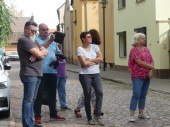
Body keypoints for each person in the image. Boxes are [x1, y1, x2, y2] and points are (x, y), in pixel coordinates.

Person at [17, 21, 48, 127]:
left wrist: (37, 54)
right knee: (28, 100)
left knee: (33, 99)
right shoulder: (23, 39)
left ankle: (30, 121)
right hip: (29, 73)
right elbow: (41, 54)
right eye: (31, 30)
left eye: (35, 31)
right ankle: (27, 124)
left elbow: (45, 52)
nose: (33, 33)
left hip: (37, 73)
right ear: (25, 29)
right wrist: (38, 54)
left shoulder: (34, 41)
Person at [34, 23, 65, 126]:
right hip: (40, 72)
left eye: (47, 29)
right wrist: (50, 40)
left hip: (52, 71)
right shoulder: (36, 40)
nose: (46, 31)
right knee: (39, 95)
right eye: (43, 30)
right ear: (39, 31)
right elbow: (39, 50)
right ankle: (37, 116)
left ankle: (53, 113)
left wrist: (59, 57)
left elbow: (57, 53)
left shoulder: (54, 43)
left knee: (52, 94)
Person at [74, 29, 103, 118]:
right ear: (83, 39)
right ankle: (89, 117)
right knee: (87, 94)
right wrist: (95, 61)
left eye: (91, 36)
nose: (91, 38)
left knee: (99, 93)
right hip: (85, 75)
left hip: (96, 73)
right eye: (88, 37)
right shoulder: (80, 49)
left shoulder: (95, 47)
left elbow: (101, 58)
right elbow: (84, 64)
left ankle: (97, 113)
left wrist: (89, 60)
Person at [128, 33, 154, 122]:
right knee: (136, 94)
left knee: (143, 95)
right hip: (137, 76)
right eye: (143, 39)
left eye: (144, 38)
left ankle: (141, 113)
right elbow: (138, 62)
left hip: (147, 75)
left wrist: (150, 70)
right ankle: (131, 115)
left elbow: (151, 60)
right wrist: (150, 67)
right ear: (138, 40)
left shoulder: (147, 49)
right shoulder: (134, 50)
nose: (144, 40)